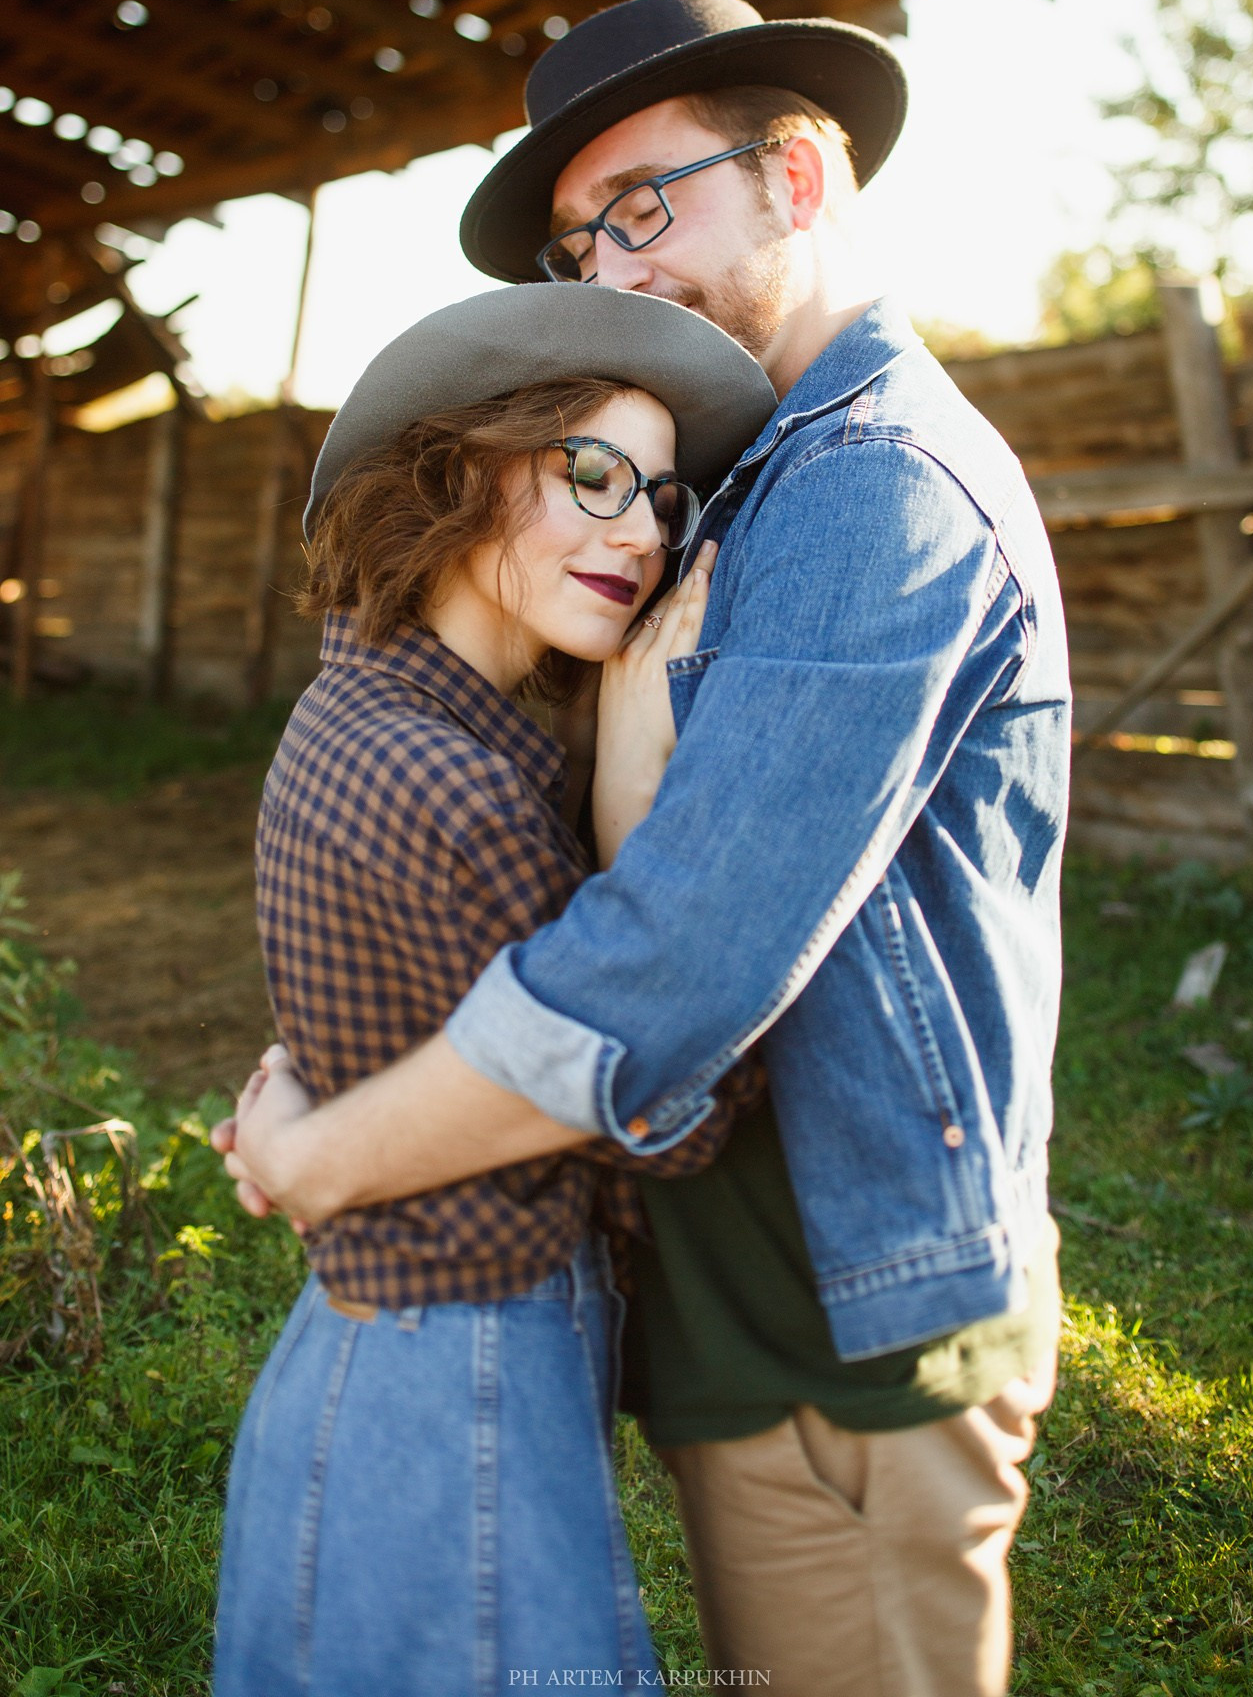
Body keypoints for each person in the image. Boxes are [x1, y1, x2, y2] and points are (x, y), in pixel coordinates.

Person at [217, 0, 1072, 1697]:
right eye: (575, 241)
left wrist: (328, 1153)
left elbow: (671, 963)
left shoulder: (876, 488)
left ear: (804, 173)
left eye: (644, 203)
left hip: (855, 1317)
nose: (608, 260)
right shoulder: (735, 478)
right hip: (740, 1301)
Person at [212, 283, 777, 1697]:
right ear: (458, 474)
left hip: (382, 1358)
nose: (643, 532)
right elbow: (673, 1110)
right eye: (591, 474)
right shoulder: (445, 780)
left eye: (662, 495)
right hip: (457, 1378)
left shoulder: (391, 703)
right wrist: (639, 782)